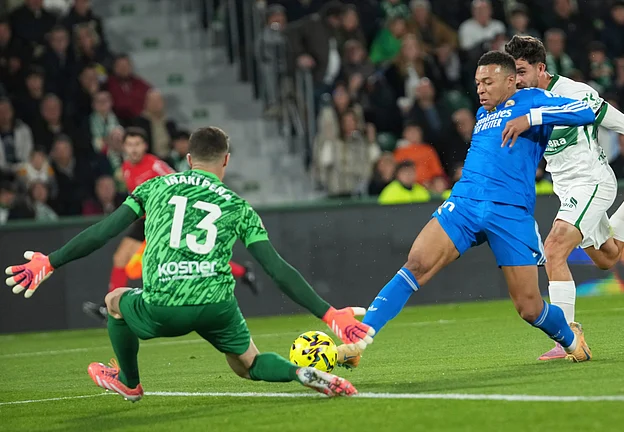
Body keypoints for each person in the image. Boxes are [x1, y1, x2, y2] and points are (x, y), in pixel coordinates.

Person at [5, 126, 374, 401]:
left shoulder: (154, 187)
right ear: (226, 160)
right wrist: (329, 315)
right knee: (249, 365)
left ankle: (130, 383)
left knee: (115, 299)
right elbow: (276, 268)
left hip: (165, 304)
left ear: (188, 160)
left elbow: (104, 232)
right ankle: (300, 373)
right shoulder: (238, 206)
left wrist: (50, 262)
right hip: (217, 305)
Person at [337, 51, 597, 368]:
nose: (481, 89)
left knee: (529, 308)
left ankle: (570, 338)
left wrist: (532, 119)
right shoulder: (483, 112)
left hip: (510, 211)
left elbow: (586, 111)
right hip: (465, 202)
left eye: (488, 82)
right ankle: (358, 340)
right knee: (417, 262)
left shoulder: (533, 100)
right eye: (477, 83)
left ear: (511, 79)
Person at [504, 35, 624, 360]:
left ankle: (566, 339)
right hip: (568, 191)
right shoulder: (522, 102)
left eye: (520, 71)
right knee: (607, 257)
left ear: (540, 68)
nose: (516, 80)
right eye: (512, 74)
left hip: (592, 183)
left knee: (555, 249)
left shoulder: (576, 94)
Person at [82, 128, 259, 322]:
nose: (133, 149)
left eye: (137, 144)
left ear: (145, 146)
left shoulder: (156, 166)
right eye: (130, 145)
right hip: (147, 220)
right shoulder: (125, 168)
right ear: (124, 147)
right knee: (120, 258)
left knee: (198, 259)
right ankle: (110, 308)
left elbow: (181, 182)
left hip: (169, 219)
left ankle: (242, 272)